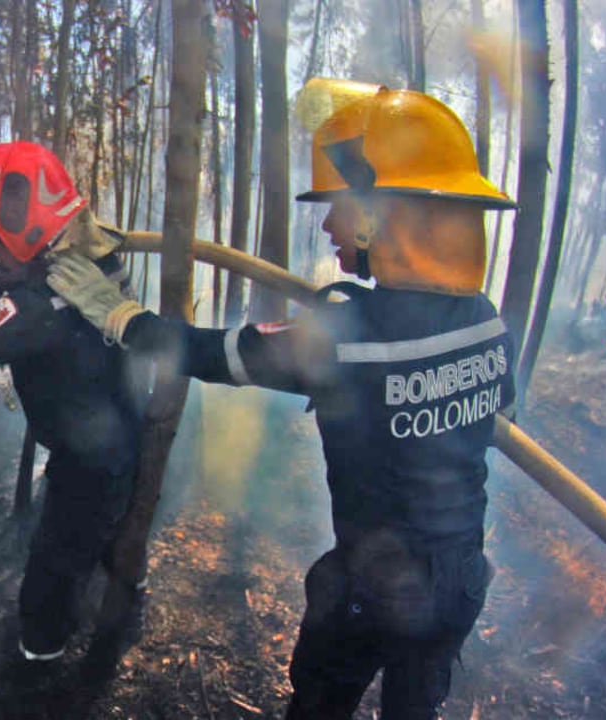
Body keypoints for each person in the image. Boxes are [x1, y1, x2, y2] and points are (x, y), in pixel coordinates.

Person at [45, 80, 517, 719]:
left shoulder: (347, 333)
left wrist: (115, 311)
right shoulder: (485, 319)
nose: (328, 223)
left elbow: (206, 354)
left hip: (371, 588)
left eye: (341, 207)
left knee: (320, 703)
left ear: (381, 214)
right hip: (462, 581)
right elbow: (496, 413)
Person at [0, 141, 146, 672]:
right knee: (110, 538)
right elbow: (14, 280)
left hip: (89, 462)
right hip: (117, 435)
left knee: (51, 574)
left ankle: (40, 667)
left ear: (30, 230)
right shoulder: (89, 260)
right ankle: (123, 610)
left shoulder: (39, 308)